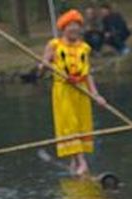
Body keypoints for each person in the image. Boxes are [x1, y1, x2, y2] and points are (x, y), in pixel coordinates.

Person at [45, 10, 105, 177]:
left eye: (76, 26)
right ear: (63, 28)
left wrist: (96, 94)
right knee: (69, 124)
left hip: (81, 90)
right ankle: (82, 162)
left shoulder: (84, 48)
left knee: (82, 124)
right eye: (70, 26)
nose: (73, 29)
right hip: (63, 91)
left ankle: (76, 161)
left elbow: (87, 74)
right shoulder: (54, 45)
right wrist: (45, 63)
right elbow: (42, 68)